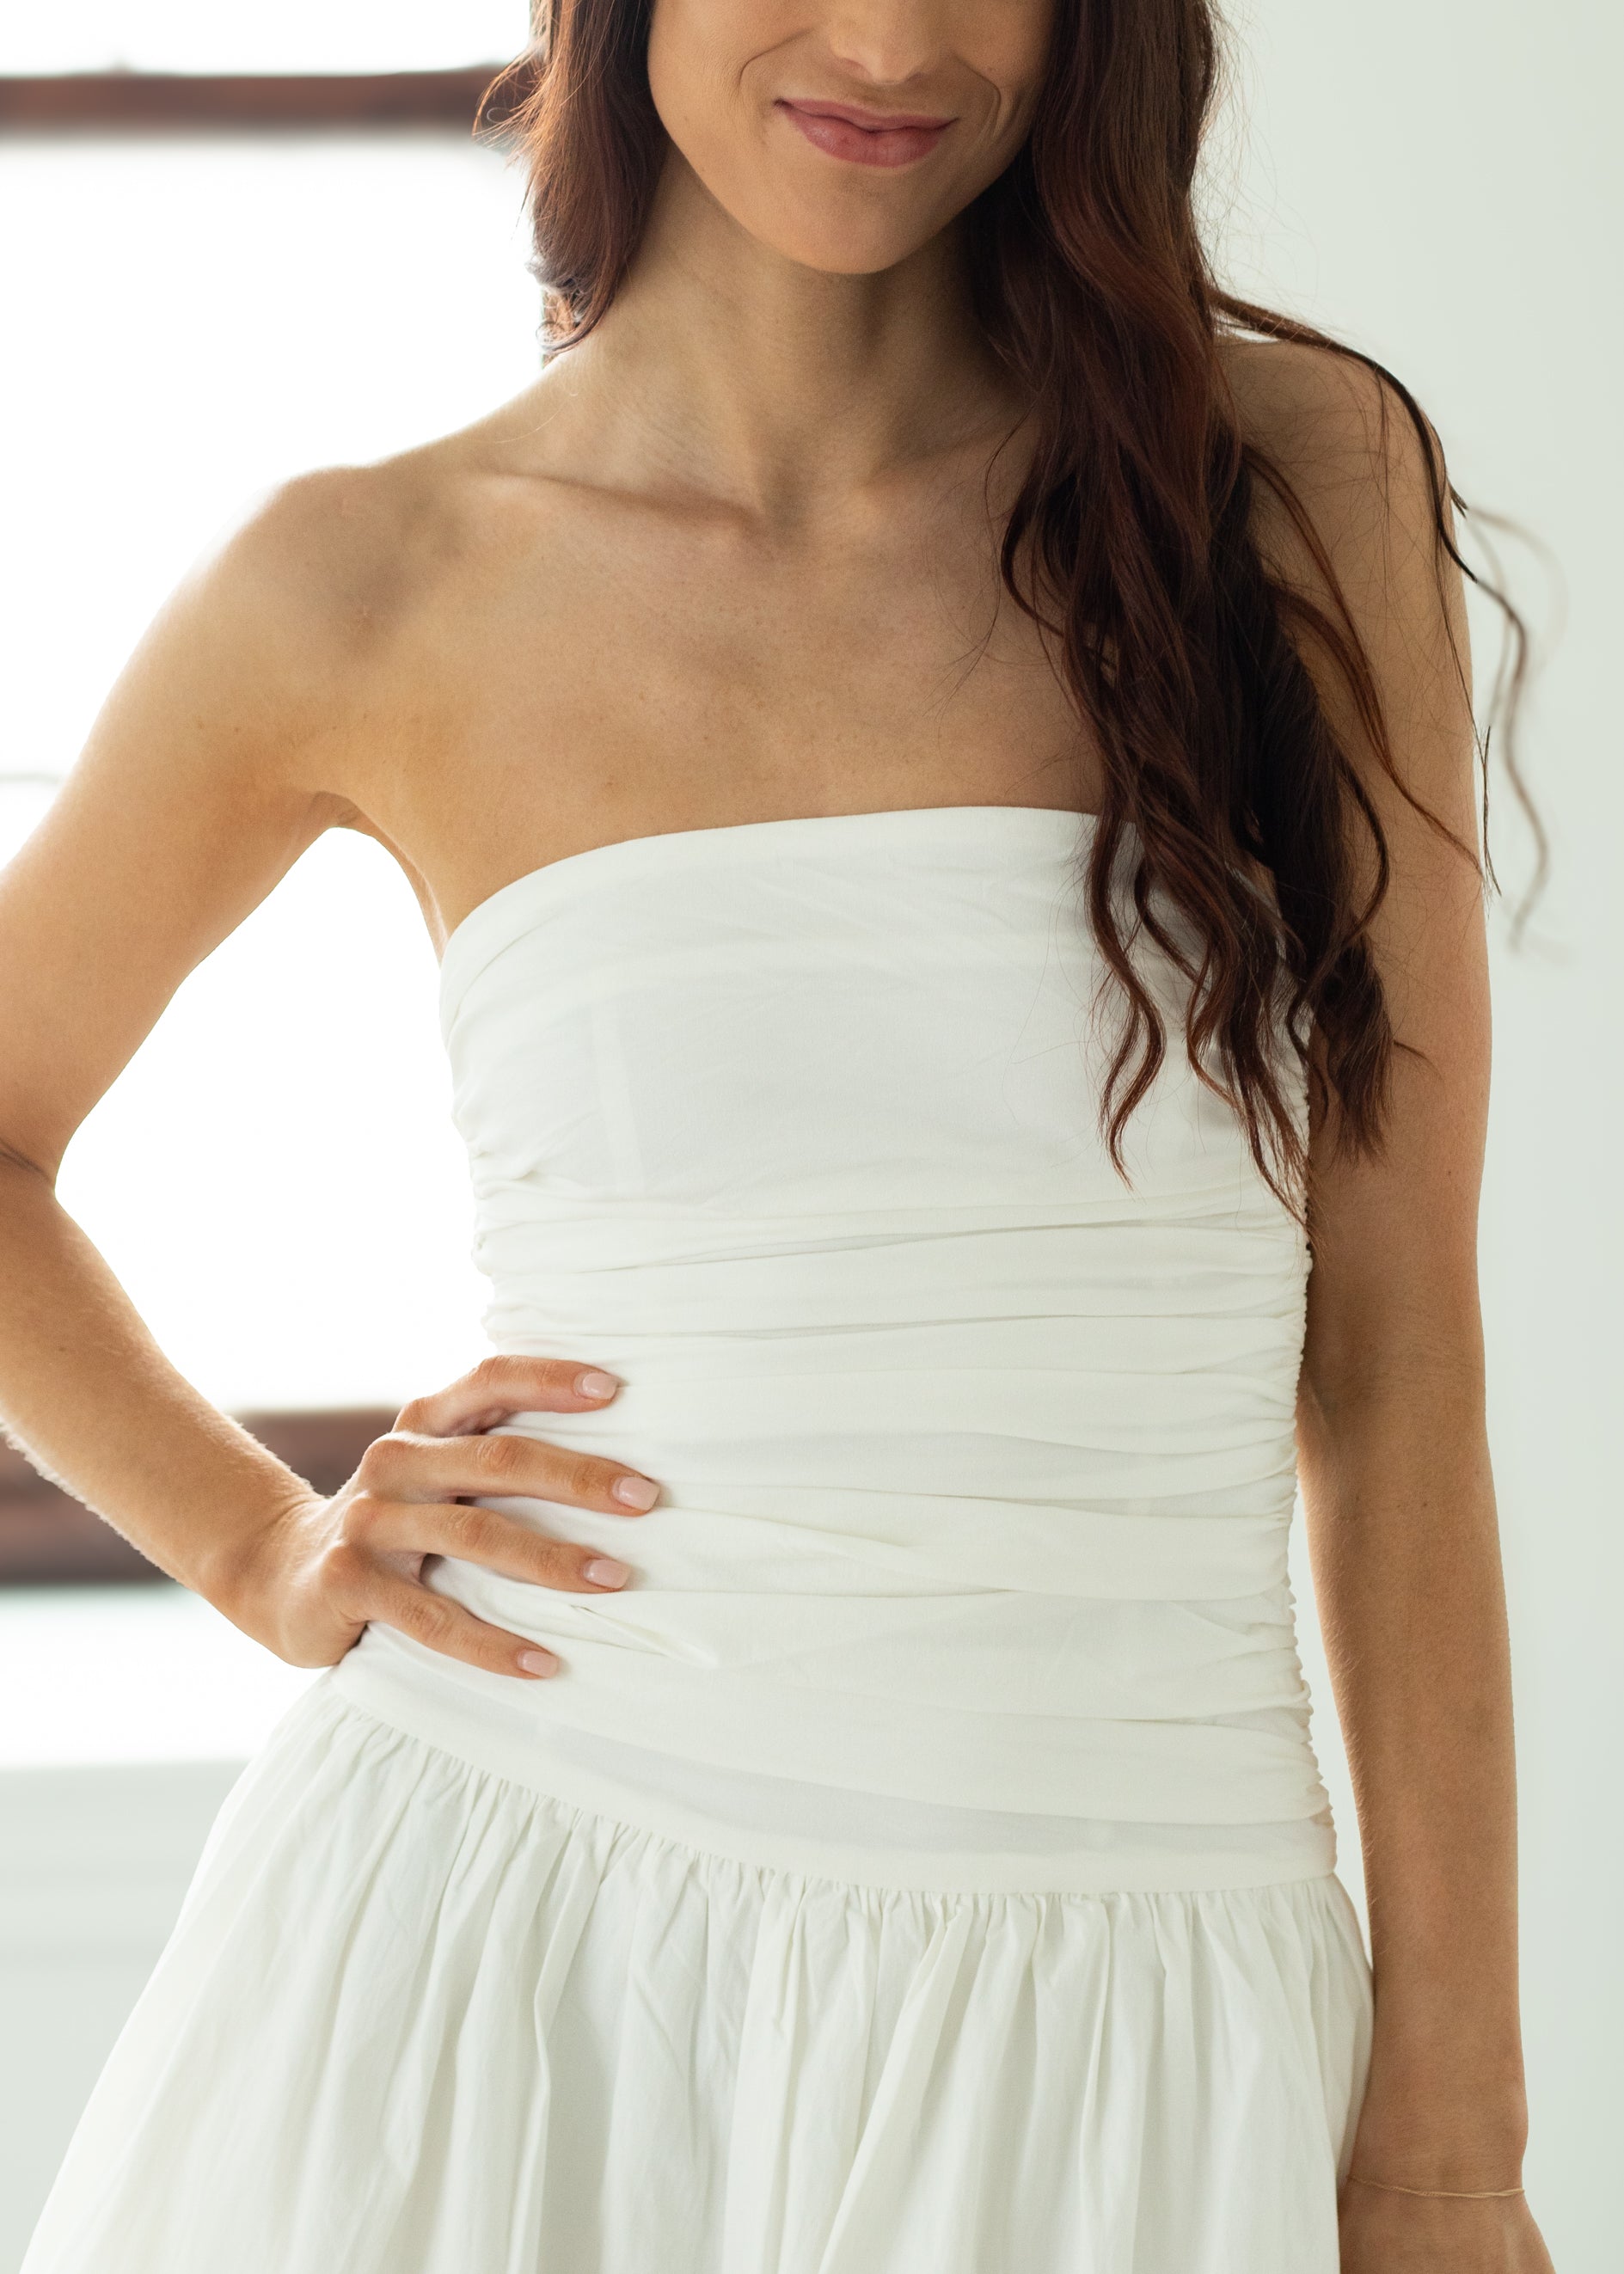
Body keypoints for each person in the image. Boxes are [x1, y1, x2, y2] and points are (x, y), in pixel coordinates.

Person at [1, 3, 1553, 2269]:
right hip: (509, 1951)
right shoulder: (369, 581)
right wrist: (253, 1546)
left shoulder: (1278, 480)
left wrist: (1446, 2138)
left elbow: (1394, 1356)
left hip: (1130, 1987)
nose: (894, 40)